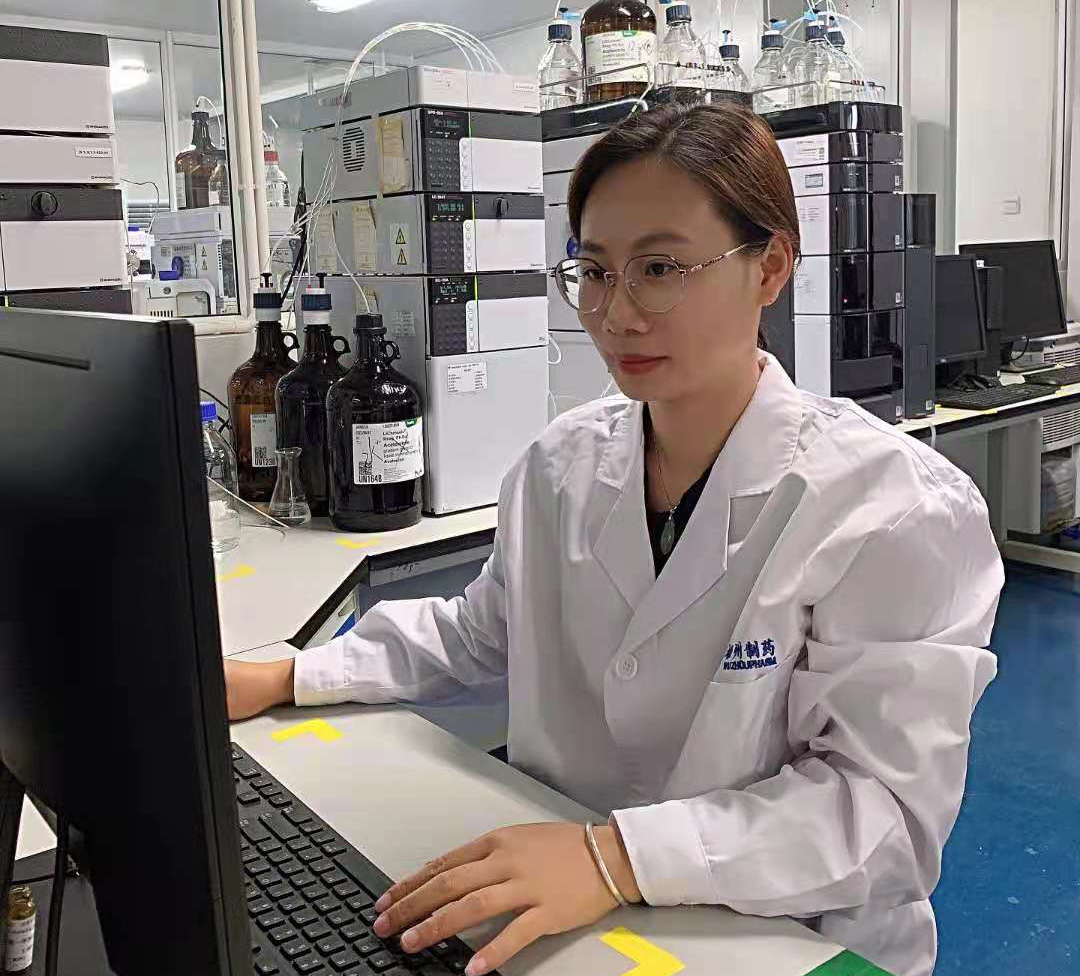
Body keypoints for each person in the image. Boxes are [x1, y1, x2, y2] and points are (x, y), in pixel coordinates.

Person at [226, 103, 1003, 976]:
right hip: (571, 906)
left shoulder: (893, 506)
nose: (616, 313)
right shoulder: (560, 465)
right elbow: (483, 632)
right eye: (594, 271)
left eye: (660, 268)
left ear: (771, 267)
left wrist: (619, 858)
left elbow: (883, 814)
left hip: (784, 937)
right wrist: (289, 675)